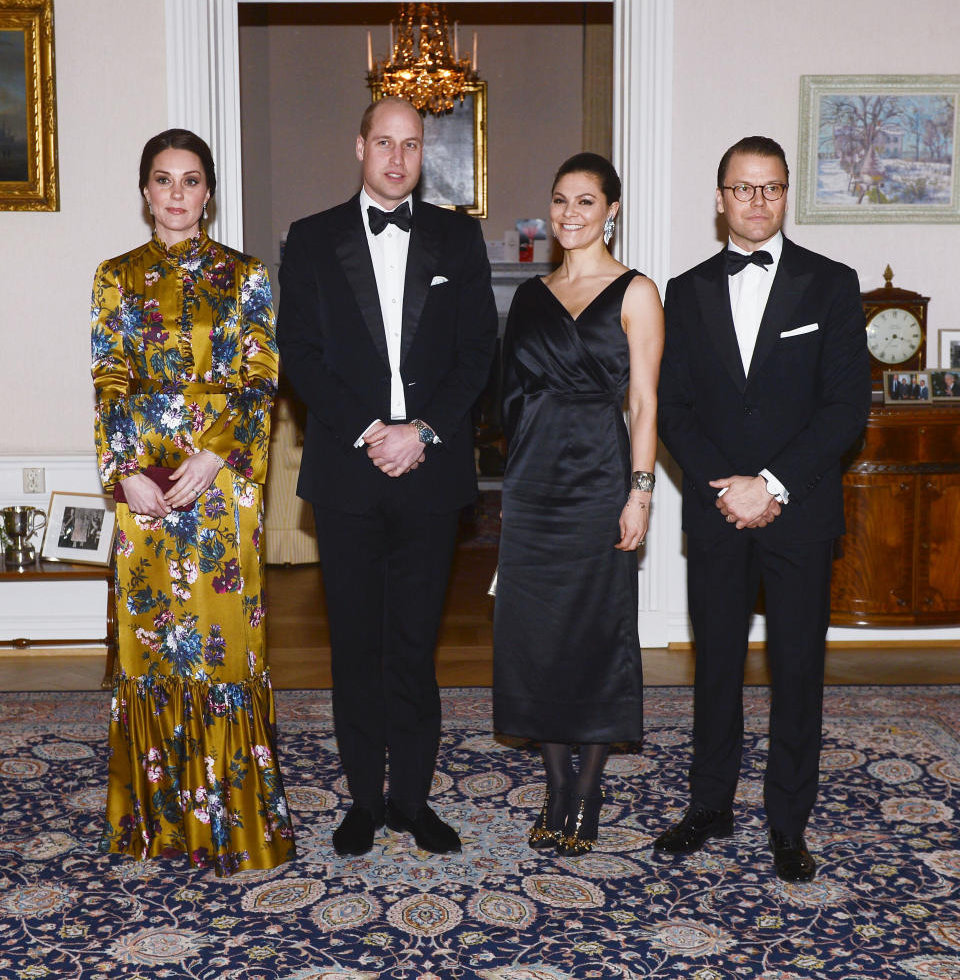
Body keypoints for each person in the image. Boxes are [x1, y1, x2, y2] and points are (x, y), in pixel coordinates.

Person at [277, 97, 497, 857]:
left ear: (421, 152)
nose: (397, 158)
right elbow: (299, 353)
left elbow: (478, 353)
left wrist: (422, 431)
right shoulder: (310, 240)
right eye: (383, 142)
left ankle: (413, 800)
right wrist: (373, 430)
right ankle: (363, 803)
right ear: (359, 145)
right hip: (347, 471)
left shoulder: (457, 238)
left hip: (431, 474)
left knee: (413, 644)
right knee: (355, 648)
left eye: (411, 145)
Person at [655, 136, 870, 882]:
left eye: (770, 188)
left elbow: (847, 409)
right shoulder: (683, 291)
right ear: (720, 198)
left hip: (801, 511)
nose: (756, 201)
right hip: (716, 510)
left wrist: (772, 484)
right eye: (742, 189)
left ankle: (788, 822)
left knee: (796, 669)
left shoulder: (833, 285)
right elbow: (672, 407)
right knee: (715, 666)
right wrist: (728, 485)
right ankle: (709, 805)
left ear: (786, 195)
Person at [92, 128, 295, 876]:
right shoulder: (113, 277)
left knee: (223, 647)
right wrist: (125, 473)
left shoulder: (247, 276)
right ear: (145, 191)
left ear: (209, 193)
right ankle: (160, 822)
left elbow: (260, 377)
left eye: (190, 180)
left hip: (222, 487)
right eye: (162, 179)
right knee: (149, 648)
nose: (176, 194)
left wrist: (216, 454)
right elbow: (108, 380)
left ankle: (234, 822)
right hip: (143, 488)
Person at [493, 153, 664, 855]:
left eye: (586, 201)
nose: (569, 213)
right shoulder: (530, 295)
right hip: (532, 484)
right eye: (561, 199)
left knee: (596, 633)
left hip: (599, 477)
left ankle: (588, 792)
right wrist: (509, 492)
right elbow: (509, 399)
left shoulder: (636, 291)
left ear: (612, 209)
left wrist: (641, 491)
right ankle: (556, 785)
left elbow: (646, 400)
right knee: (536, 640)